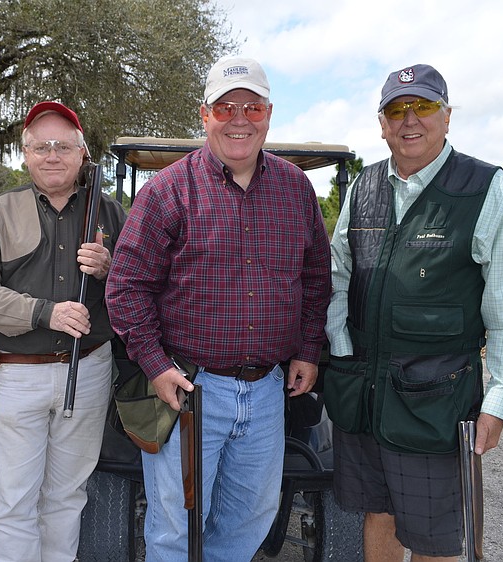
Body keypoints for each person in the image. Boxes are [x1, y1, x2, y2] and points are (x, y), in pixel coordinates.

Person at [105, 56, 332, 561]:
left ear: (268, 114)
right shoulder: (167, 190)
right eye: (226, 107)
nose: (239, 119)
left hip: (270, 391)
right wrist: (156, 365)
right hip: (189, 390)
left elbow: (317, 279)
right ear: (204, 113)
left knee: (248, 521)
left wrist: (308, 351)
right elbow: (126, 286)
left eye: (252, 107)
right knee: (175, 530)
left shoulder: (296, 190)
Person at [325, 64, 503, 561]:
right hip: (364, 398)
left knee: (434, 536)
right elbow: (337, 276)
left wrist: (499, 404)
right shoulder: (363, 189)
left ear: (447, 117)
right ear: (381, 124)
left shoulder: (488, 190)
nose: (410, 120)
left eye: (423, 106)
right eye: (396, 110)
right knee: (376, 512)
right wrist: (341, 354)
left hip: (436, 406)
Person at [0, 101, 126, 562]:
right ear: (25, 153)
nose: (53, 155)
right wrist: (43, 313)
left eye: (64, 146)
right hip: (20, 372)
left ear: (82, 152)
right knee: (14, 498)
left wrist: (112, 269)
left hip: (88, 369)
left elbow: (143, 287)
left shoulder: (112, 214)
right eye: (41, 146)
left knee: (67, 495)